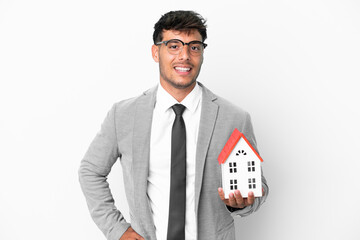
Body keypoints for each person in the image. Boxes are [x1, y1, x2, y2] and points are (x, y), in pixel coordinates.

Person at [79, 10, 269, 240]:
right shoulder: (124, 115)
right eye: (174, 46)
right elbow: (91, 171)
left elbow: (259, 188)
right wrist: (117, 230)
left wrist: (242, 203)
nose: (185, 56)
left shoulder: (234, 118)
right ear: (155, 52)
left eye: (194, 47)